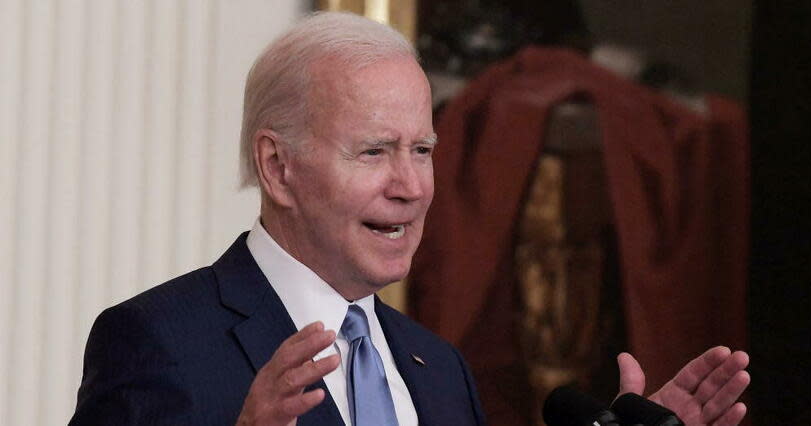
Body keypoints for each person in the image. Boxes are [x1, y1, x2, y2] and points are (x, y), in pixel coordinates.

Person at [70, 12, 749, 426]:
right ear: (278, 169)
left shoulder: (437, 368)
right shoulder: (159, 342)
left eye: (421, 150)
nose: (411, 187)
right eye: (374, 152)